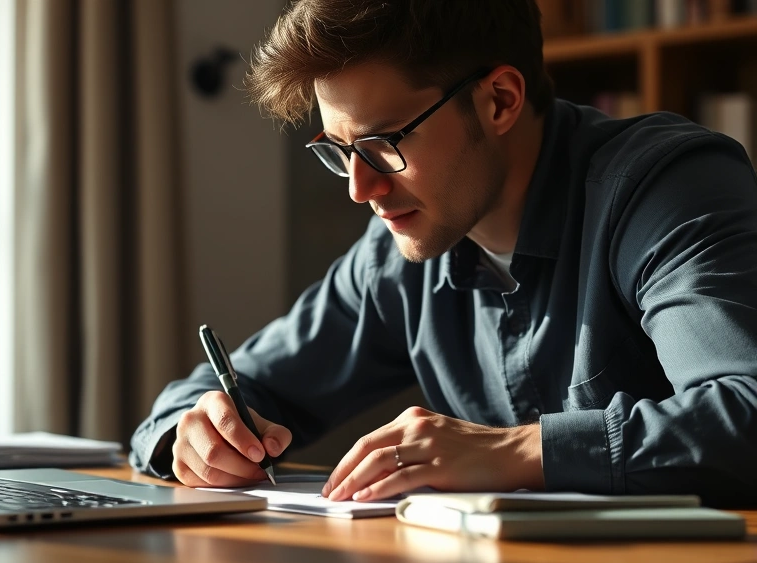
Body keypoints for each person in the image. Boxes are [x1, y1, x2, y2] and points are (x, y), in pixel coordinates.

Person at [130, 0, 757, 507]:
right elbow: (218, 392)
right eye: (339, 149)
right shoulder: (391, 259)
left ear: (500, 100)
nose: (360, 188)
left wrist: (512, 452)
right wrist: (196, 434)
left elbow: (745, 412)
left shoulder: (666, 188)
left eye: (382, 143)